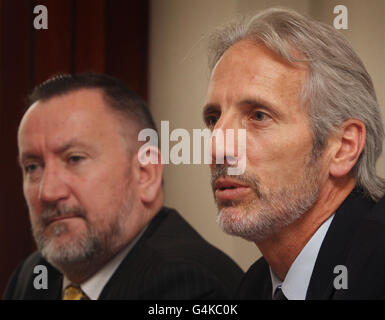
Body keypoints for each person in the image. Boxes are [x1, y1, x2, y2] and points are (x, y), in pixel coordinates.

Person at [4, 73, 243, 300]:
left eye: (75, 159)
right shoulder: (33, 275)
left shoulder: (192, 285)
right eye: (32, 167)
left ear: (145, 174)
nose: (47, 192)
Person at [203, 7, 385, 300]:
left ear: (343, 147)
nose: (217, 148)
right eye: (213, 120)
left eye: (259, 116)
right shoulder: (254, 284)